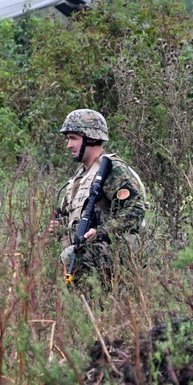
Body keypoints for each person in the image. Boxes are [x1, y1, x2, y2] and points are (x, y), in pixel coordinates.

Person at [49, 109, 147, 285]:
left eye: (73, 138)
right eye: (68, 139)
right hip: (83, 256)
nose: (69, 145)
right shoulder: (80, 176)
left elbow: (136, 210)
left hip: (110, 255)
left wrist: (101, 232)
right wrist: (61, 227)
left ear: (91, 138)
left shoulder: (112, 170)